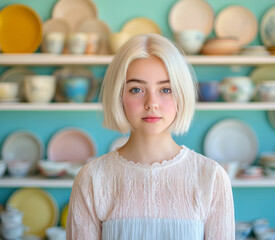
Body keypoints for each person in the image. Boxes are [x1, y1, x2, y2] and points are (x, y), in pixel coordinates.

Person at [66, 34, 235, 240]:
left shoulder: (212, 178)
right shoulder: (91, 180)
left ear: (181, 94)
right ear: (118, 96)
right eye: (136, 89)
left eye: (165, 89)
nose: (152, 103)